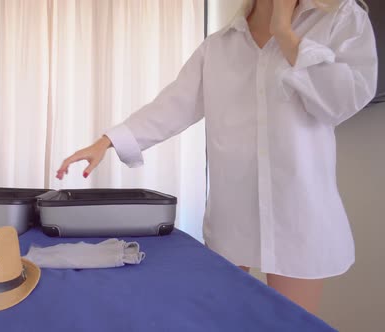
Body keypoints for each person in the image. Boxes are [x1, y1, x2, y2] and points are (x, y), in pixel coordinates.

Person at [55, 0, 378, 315]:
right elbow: (172, 107)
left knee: (291, 325)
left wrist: (285, 33)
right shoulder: (218, 47)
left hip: (300, 216)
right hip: (233, 215)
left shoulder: (342, 17)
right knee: (223, 320)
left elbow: (344, 101)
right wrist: (107, 141)